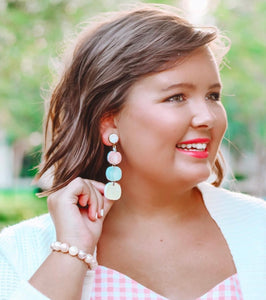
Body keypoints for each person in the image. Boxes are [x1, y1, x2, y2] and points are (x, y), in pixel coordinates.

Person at [0, 3, 265, 300]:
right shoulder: (19, 252)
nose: (207, 117)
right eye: (176, 97)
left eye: (212, 96)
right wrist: (72, 251)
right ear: (108, 120)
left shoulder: (260, 229)